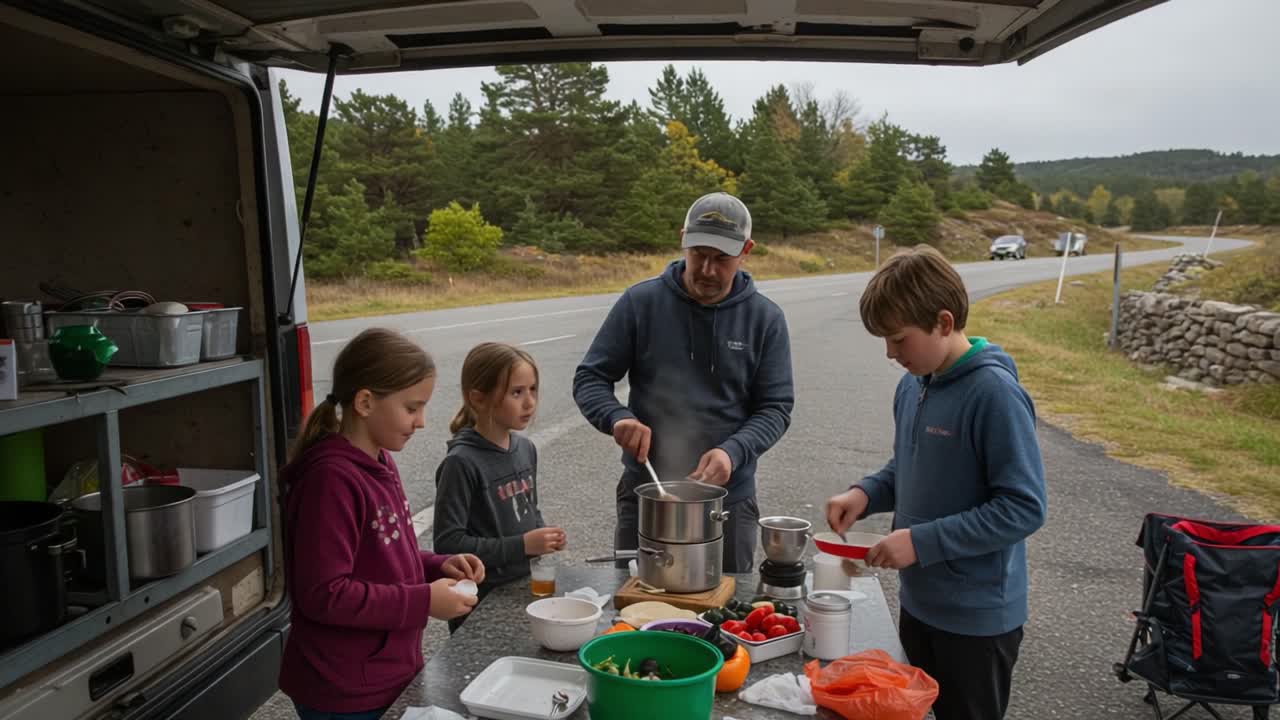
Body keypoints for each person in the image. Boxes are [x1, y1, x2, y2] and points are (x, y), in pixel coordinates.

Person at [824, 246, 1047, 720]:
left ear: (944, 323)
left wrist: (922, 543)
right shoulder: (914, 383)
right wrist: (865, 493)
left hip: (978, 623)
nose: (889, 353)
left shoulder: (995, 394)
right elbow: (908, 467)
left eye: (899, 339)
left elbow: (1024, 507)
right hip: (920, 604)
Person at [573, 192, 794, 573]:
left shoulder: (765, 319)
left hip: (728, 503)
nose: (707, 270)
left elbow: (776, 408)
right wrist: (616, 418)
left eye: (721, 259)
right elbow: (591, 377)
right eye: (699, 254)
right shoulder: (641, 303)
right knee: (636, 608)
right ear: (683, 240)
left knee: (724, 617)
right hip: (648, 493)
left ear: (747, 250)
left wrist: (734, 451)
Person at [278, 328, 485, 720]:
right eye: (412, 407)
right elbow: (325, 593)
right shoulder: (330, 480)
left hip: (383, 673)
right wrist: (424, 600)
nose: (421, 421)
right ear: (365, 402)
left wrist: (437, 564)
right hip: (342, 688)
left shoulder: (379, 461)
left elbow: (385, 553)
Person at [433, 342, 565, 631]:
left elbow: (529, 509)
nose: (529, 402)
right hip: (481, 604)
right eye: (516, 392)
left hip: (525, 590)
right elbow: (448, 544)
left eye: (533, 389)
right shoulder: (461, 463)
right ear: (478, 399)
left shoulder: (526, 449)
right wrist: (522, 545)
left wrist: (544, 536)